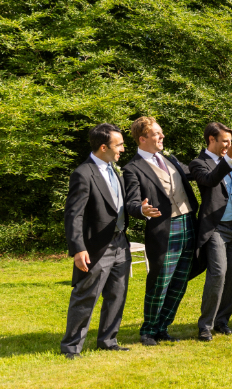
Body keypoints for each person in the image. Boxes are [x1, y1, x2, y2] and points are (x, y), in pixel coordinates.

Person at [124, 116, 198, 346]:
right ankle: (148, 330)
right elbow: (131, 203)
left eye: (161, 132)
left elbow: (197, 174)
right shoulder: (132, 168)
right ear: (142, 138)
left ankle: (163, 327)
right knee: (160, 282)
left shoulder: (170, 159)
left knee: (180, 281)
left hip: (188, 223)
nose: (162, 136)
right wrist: (142, 210)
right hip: (164, 229)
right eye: (156, 133)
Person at [61, 123, 132, 359]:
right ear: (103, 147)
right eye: (119, 145)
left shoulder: (115, 170)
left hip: (120, 243)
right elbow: (74, 215)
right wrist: (78, 249)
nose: (123, 149)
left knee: (117, 294)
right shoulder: (83, 173)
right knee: (86, 296)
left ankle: (108, 341)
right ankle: (71, 347)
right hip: (96, 247)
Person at [189, 122, 232, 341]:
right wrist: (229, 158)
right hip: (215, 228)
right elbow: (210, 180)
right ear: (211, 139)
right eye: (225, 141)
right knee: (218, 274)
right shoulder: (199, 163)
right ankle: (205, 326)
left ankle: (222, 321)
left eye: (230, 141)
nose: (229, 145)